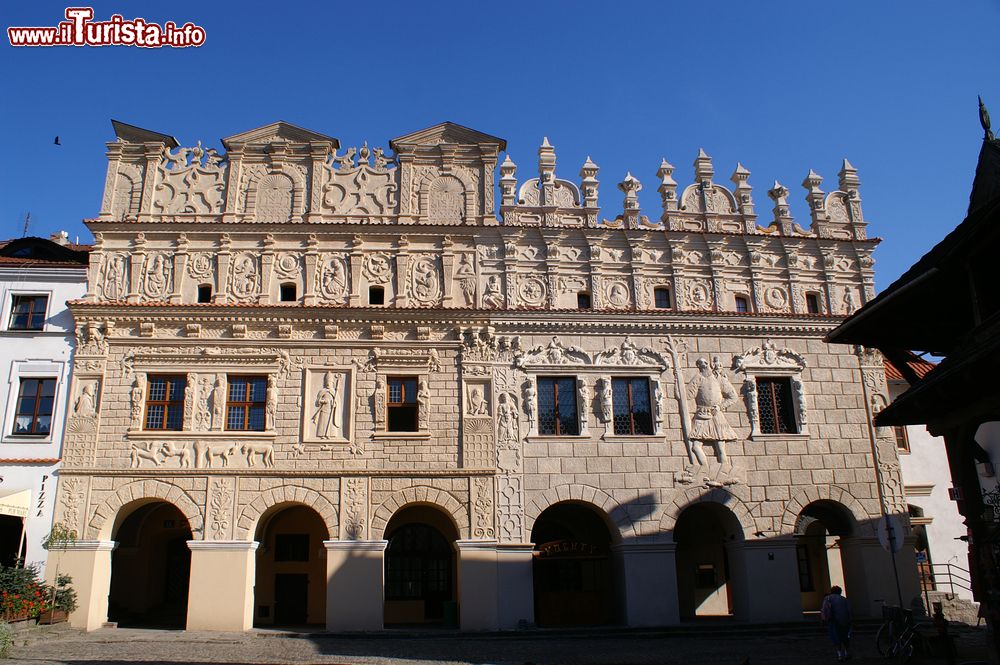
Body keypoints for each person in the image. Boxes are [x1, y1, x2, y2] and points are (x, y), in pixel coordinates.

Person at [821, 585, 852, 661]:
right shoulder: (844, 599)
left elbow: (824, 610)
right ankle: (846, 653)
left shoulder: (828, 598)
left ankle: (839, 655)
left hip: (833, 621)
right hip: (845, 621)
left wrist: (823, 619)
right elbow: (849, 611)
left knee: (836, 638)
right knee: (845, 638)